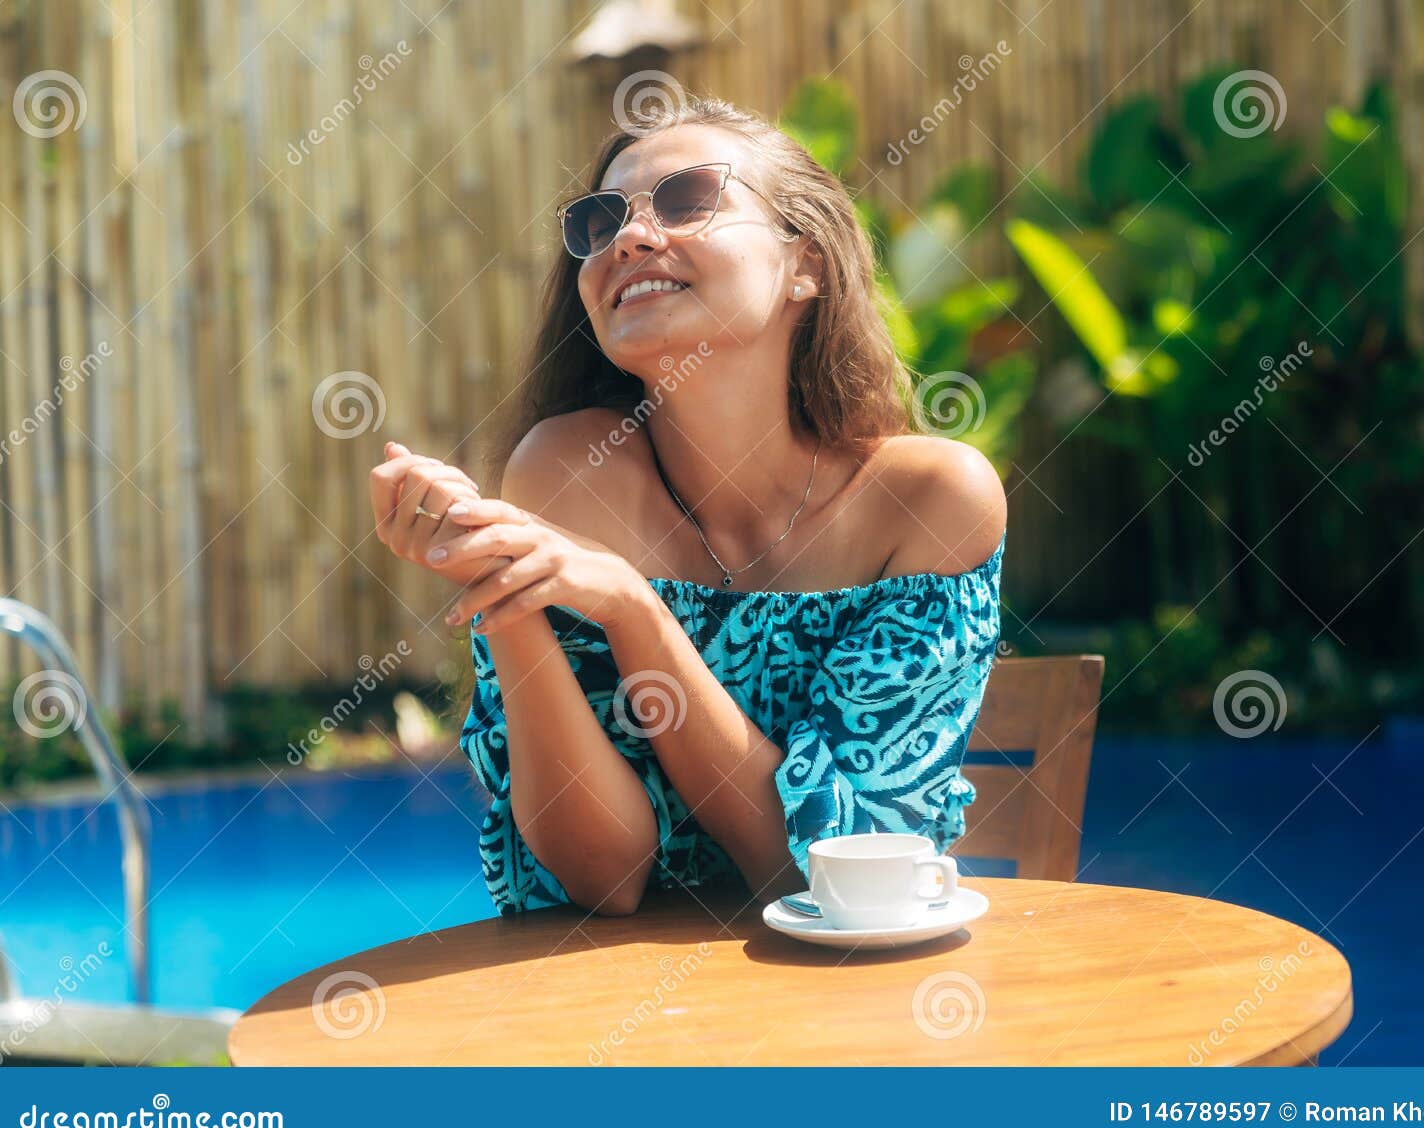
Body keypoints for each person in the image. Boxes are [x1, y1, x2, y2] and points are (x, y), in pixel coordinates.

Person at [369, 96, 1006, 918]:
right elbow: (600, 878)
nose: (627, 238)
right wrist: (501, 582)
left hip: (856, 1011)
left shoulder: (927, 502)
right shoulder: (568, 474)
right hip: (620, 1022)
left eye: (686, 199)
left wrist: (634, 610)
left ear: (805, 264)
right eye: (599, 223)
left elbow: (830, 880)